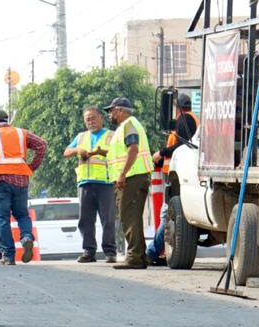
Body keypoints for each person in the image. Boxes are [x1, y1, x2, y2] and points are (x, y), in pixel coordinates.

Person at [0, 109, 47, 265]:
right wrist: (31, 167)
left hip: (1, 180)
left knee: (2, 218)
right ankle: (26, 237)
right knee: (22, 215)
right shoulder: (22, 133)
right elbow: (41, 145)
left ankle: (8, 255)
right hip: (21, 179)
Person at [146, 93, 198, 265]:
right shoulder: (191, 119)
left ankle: (152, 252)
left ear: (177, 107)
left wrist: (162, 152)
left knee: (167, 215)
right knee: (167, 214)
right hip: (179, 172)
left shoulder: (185, 120)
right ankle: (156, 251)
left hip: (179, 175)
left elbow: (184, 145)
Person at [103, 97, 153, 270]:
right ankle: (139, 255)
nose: (109, 114)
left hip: (132, 177)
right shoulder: (125, 127)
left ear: (120, 110)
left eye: (111, 110)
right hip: (133, 177)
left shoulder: (129, 125)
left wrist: (123, 174)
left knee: (129, 216)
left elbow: (133, 149)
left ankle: (134, 257)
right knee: (132, 216)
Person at [63, 106, 117, 264]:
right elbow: (66, 152)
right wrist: (78, 150)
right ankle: (89, 251)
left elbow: (120, 153)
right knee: (85, 220)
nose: (91, 122)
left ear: (101, 118)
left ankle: (110, 252)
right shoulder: (81, 137)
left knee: (108, 219)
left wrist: (101, 152)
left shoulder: (111, 135)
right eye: (88, 119)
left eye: (94, 118)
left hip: (105, 183)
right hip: (85, 183)